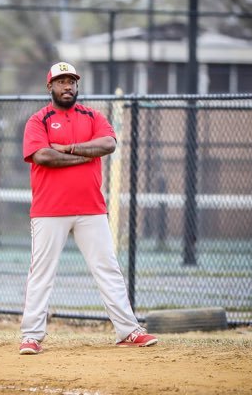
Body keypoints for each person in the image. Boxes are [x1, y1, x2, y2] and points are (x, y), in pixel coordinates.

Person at [20, 61, 158, 355]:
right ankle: (31, 336)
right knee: (42, 273)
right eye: (61, 81)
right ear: (50, 87)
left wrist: (69, 148)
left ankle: (128, 331)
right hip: (48, 210)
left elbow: (108, 144)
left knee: (108, 268)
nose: (67, 86)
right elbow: (43, 156)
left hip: (91, 208)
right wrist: (85, 153)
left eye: (71, 81)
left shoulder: (92, 115)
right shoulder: (38, 120)